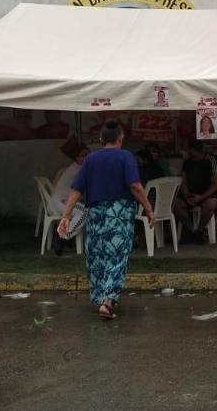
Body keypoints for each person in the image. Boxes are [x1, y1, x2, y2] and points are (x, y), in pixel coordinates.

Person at [57, 119, 155, 320]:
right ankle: (108, 302)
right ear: (121, 139)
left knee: (97, 256)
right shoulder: (126, 157)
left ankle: (102, 297)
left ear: (101, 139)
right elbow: (135, 186)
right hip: (119, 213)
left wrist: (65, 216)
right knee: (117, 257)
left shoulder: (90, 159)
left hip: (96, 214)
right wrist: (149, 209)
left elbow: (76, 190)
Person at [174, 141, 217, 243]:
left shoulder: (211, 160)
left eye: (191, 152)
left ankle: (200, 230)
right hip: (191, 195)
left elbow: (216, 184)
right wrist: (187, 195)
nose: (190, 154)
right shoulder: (187, 162)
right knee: (176, 204)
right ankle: (192, 230)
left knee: (210, 204)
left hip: (207, 195)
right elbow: (183, 181)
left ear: (199, 151)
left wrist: (201, 197)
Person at [49, 144, 89, 255]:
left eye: (88, 155)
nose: (86, 158)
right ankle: (63, 236)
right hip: (61, 202)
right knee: (84, 212)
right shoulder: (79, 169)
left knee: (84, 210)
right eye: (83, 156)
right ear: (76, 158)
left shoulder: (75, 167)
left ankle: (64, 236)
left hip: (59, 201)